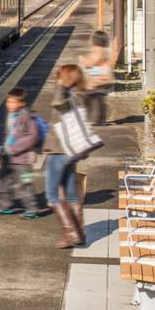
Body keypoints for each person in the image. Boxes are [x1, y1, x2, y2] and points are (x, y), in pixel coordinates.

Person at [42, 65, 87, 248]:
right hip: (72, 151)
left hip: (59, 151)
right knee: (70, 192)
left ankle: (72, 233)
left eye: (60, 77)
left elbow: (57, 103)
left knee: (52, 193)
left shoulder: (67, 96)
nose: (57, 80)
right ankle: (80, 233)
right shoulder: (80, 96)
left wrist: (62, 85)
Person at [0, 87, 40, 219]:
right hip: (8, 158)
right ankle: (5, 205)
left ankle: (32, 209)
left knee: (25, 184)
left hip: (23, 159)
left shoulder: (27, 117)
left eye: (13, 102)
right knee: (3, 181)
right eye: (8, 102)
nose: (9, 105)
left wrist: (14, 148)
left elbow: (33, 136)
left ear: (22, 103)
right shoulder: (11, 116)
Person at [79, 30, 112, 126]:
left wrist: (83, 60)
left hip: (95, 80)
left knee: (89, 99)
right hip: (100, 78)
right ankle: (100, 120)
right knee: (99, 100)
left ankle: (92, 119)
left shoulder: (97, 49)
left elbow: (93, 61)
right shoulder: (103, 48)